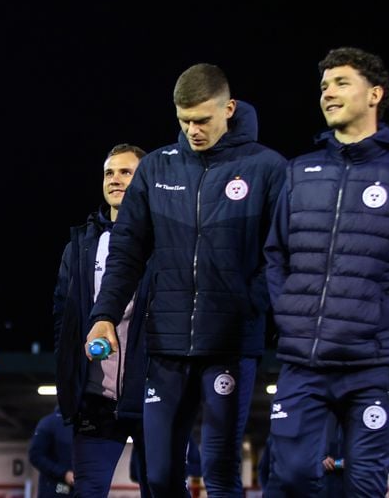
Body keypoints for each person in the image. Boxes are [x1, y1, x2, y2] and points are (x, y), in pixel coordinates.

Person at [87, 64, 286, 497]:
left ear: (228, 108)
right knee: (157, 475)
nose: (193, 130)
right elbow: (127, 252)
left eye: (202, 120)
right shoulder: (156, 168)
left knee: (219, 471)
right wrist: (104, 314)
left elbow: (281, 255)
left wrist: (251, 306)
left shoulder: (267, 168)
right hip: (167, 346)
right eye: (184, 121)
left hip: (230, 346)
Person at [263, 47, 389, 497]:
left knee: (363, 483)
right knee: (287, 476)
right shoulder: (299, 172)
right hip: (304, 359)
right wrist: (287, 311)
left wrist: (377, 315)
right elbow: (274, 252)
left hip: (374, 360)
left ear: (375, 94)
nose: (328, 93)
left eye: (341, 83)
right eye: (324, 86)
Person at [53, 144, 149, 497]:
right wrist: (69, 372)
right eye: (109, 172)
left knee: (163, 485)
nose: (115, 179)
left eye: (126, 172)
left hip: (151, 391)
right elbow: (63, 313)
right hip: (95, 395)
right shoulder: (81, 244)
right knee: (88, 490)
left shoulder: (164, 239)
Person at [29, 408, 76, 497]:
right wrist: (64, 474)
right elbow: (35, 455)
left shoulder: (84, 425)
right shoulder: (49, 423)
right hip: (55, 489)